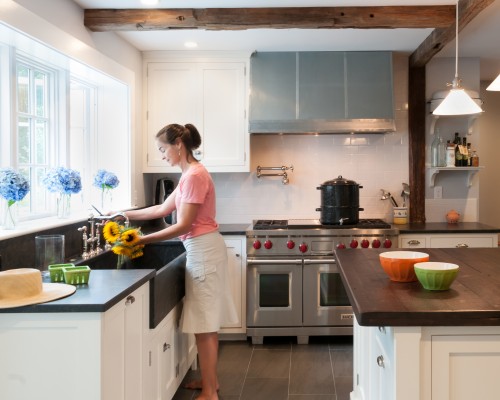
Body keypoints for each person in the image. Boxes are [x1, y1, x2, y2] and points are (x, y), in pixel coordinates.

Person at [120, 123, 237, 400]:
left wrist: (141, 241)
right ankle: (211, 382)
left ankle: (210, 391)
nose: (161, 155)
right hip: (200, 248)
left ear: (178, 145)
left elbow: (182, 223)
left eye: (163, 149)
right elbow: (161, 209)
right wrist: (122, 214)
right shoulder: (188, 175)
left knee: (205, 325)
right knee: (202, 322)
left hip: (204, 250)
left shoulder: (195, 176)